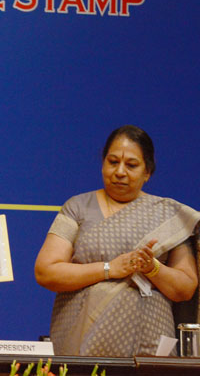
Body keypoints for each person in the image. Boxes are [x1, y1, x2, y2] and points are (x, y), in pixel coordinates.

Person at [34, 125, 200, 356]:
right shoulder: (77, 207)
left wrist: (153, 268)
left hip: (148, 350)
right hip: (81, 346)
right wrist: (110, 268)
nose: (120, 172)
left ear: (147, 172)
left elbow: (185, 288)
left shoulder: (170, 216)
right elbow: (46, 271)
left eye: (131, 165)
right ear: (103, 164)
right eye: (113, 162)